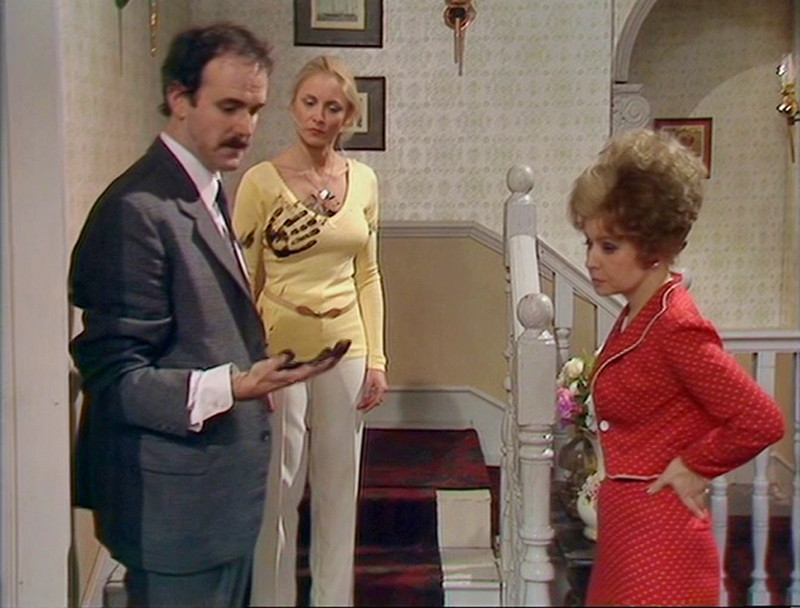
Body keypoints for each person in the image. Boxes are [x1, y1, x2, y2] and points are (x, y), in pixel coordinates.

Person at [69, 24, 348, 608]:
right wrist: (235, 385)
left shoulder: (208, 188)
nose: (246, 126)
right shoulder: (136, 210)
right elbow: (117, 380)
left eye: (254, 109)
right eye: (229, 107)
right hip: (174, 516)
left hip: (219, 506)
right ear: (179, 98)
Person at [567, 128, 785, 605]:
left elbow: (761, 419)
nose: (591, 261)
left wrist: (694, 466)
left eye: (609, 247)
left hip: (660, 543)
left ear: (654, 247)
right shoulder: (637, 313)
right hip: (627, 536)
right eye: (589, 243)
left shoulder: (675, 324)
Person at [232, 55, 388, 606]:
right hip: (281, 351)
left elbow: (368, 274)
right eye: (311, 103)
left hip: (347, 345)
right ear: (293, 106)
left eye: (334, 107)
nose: (320, 116)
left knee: (339, 488)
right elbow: (243, 281)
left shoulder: (364, 181)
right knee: (280, 489)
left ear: (349, 117)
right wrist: (251, 362)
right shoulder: (260, 181)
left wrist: (377, 359)